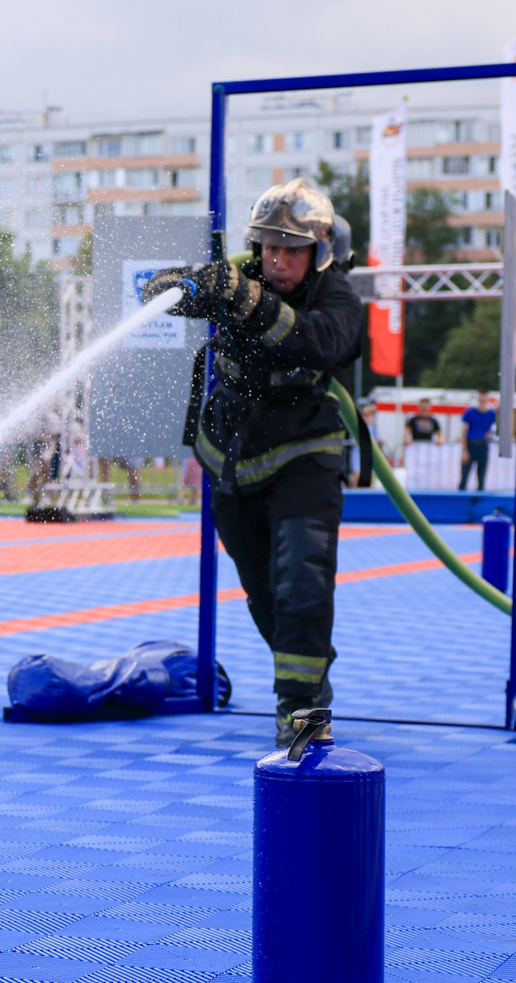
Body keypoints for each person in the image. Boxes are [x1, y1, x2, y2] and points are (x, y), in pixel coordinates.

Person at [145, 177, 362, 748]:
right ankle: (309, 678)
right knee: (265, 593)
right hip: (233, 458)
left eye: (292, 249)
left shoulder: (338, 298)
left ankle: (304, 713)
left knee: (302, 588)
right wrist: (186, 281)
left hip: (305, 457)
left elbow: (316, 343)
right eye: (270, 247)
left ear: (320, 252)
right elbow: (158, 293)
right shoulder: (239, 276)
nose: (278, 259)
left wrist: (249, 299)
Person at [458, 392, 496, 491]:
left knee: (481, 475)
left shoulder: (492, 414)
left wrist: (490, 433)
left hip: (483, 444)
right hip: (471, 444)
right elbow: (464, 432)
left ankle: (479, 496)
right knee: (465, 474)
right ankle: (461, 496)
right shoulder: (470, 413)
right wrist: (465, 451)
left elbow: (497, 427)